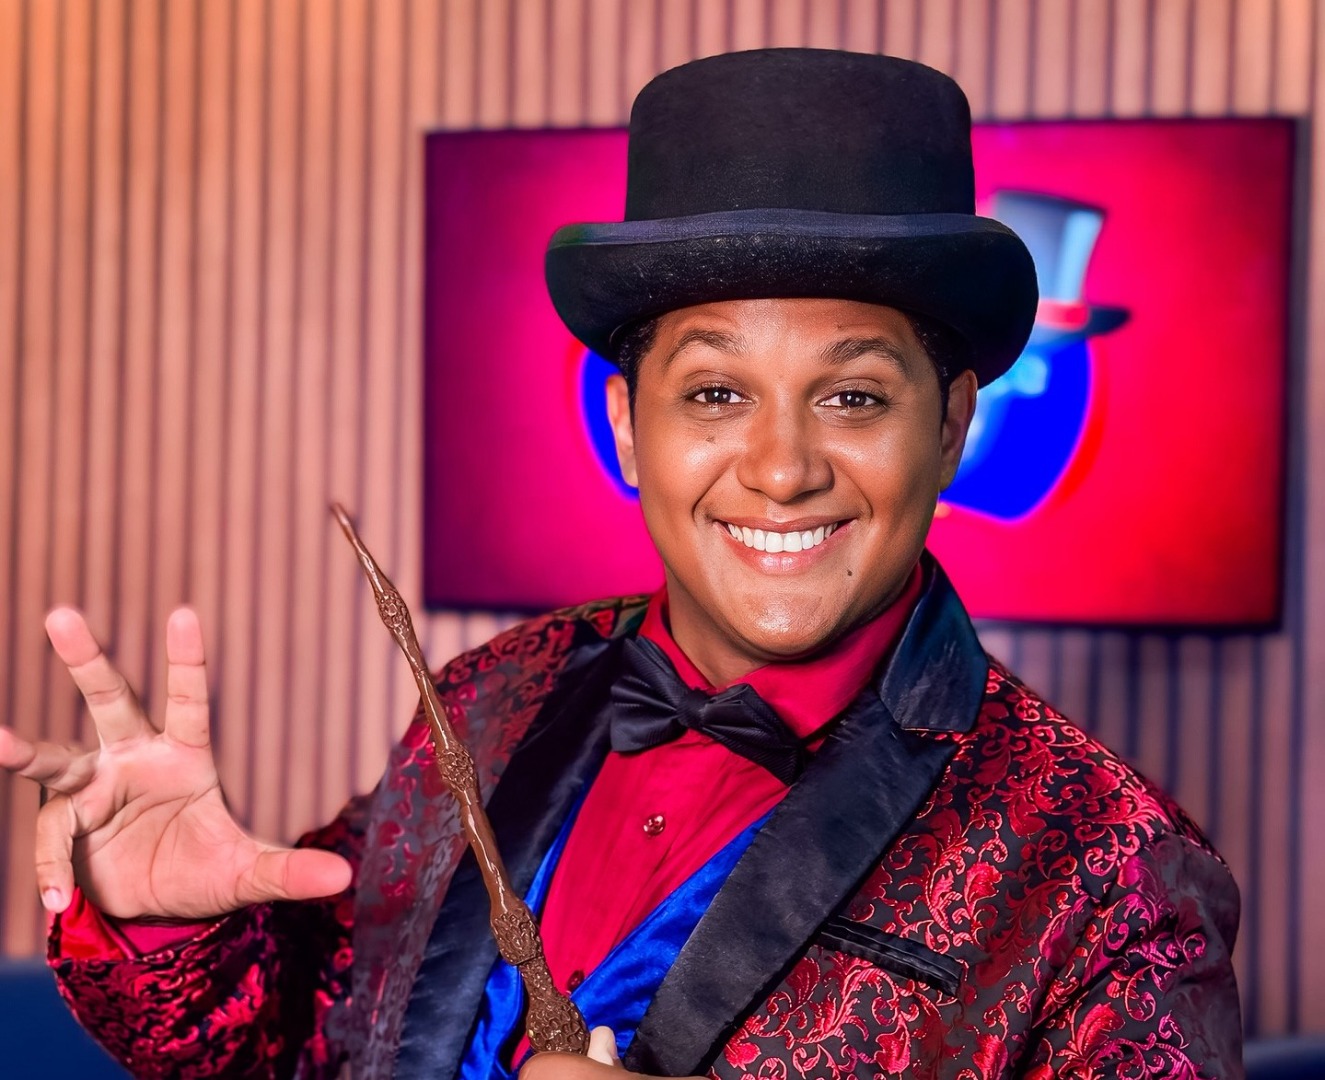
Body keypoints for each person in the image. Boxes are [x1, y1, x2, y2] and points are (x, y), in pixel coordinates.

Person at [3, 49, 1240, 1079]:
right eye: (714, 393)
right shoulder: (487, 697)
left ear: (951, 424)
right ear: (627, 426)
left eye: (853, 397)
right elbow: (303, 1047)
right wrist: (166, 928)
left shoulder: (1111, 871)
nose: (780, 469)